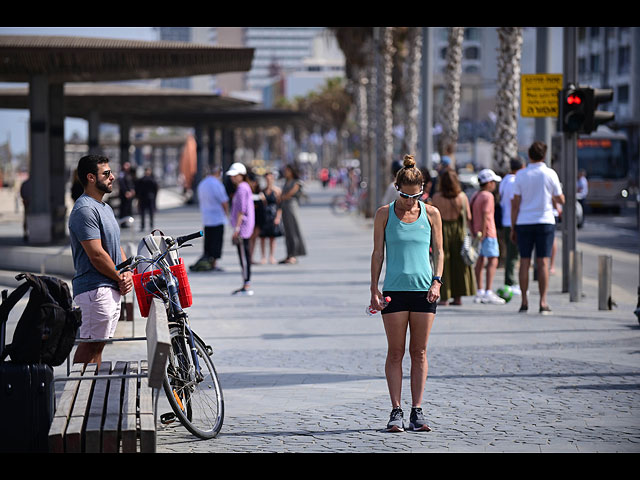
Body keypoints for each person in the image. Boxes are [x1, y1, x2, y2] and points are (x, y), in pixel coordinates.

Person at [370, 154, 444, 433]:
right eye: (404, 195)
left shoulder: (431, 213)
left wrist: (437, 282)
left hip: (425, 292)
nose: (410, 201)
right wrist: (373, 288)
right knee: (396, 352)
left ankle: (417, 410)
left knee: (420, 352)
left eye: (415, 196)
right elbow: (378, 253)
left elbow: (439, 251)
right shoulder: (384, 213)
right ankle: (396, 410)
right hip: (394, 291)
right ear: (396, 187)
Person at [68, 154, 133, 366]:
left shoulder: (105, 208)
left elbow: (116, 246)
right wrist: (119, 277)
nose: (112, 177)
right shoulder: (85, 209)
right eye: (106, 173)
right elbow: (96, 254)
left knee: (99, 344)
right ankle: (76, 396)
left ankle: (90, 393)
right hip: (95, 289)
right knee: (90, 345)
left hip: (108, 287)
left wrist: (127, 273)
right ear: (91, 178)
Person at [510, 141, 565, 315]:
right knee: (543, 263)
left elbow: (515, 205)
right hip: (545, 222)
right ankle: (543, 301)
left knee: (524, 262)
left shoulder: (521, 175)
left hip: (524, 222)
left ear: (530, 155)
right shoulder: (550, 174)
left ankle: (524, 301)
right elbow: (560, 199)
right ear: (544, 155)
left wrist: (513, 227)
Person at [431, 169, 476, 305]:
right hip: (459, 232)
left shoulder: (437, 197)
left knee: (443, 263)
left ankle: (444, 297)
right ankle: (458, 297)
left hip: (442, 231)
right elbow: (468, 216)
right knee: (459, 264)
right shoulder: (462, 197)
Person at [470, 168, 505, 305]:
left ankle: (480, 291)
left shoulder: (475, 195)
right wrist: (484, 231)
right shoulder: (488, 196)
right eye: (493, 182)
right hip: (488, 232)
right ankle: (488, 291)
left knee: (479, 261)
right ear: (488, 182)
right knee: (492, 260)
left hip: (477, 233)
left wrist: (475, 231)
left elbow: (470, 216)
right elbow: (486, 214)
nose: (494, 185)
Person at [191, 166, 229, 272]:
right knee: (217, 242)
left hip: (206, 218)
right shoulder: (217, 184)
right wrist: (227, 213)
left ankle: (207, 261)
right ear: (218, 173)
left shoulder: (202, 184)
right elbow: (224, 201)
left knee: (208, 242)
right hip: (217, 217)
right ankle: (214, 263)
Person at [227, 162, 255, 296]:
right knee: (244, 255)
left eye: (235, 175)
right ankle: (246, 282)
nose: (232, 178)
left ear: (241, 175)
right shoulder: (243, 187)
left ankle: (246, 283)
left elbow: (241, 210)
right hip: (243, 227)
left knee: (244, 256)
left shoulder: (242, 188)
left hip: (242, 228)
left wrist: (237, 228)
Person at [498, 157, 524, 295]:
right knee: (513, 254)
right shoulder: (514, 181)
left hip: (506, 220)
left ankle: (511, 280)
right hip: (513, 221)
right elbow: (515, 203)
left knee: (511, 252)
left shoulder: (505, 181)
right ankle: (511, 282)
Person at [279, 164, 307, 264]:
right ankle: (289, 254)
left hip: (292, 207)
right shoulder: (286, 182)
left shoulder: (297, 182)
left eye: (287, 170)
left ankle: (294, 254)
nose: (286, 172)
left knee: (293, 230)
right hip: (285, 207)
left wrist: (282, 197)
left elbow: (291, 193)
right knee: (287, 232)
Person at [258, 170, 283, 265]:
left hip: (273, 214)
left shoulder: (277, 191)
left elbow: (280, 205)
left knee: (272, 237)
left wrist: (278, 217)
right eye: (267, 178)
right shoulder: (262, 190)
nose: (268, 180)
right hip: (264, 215)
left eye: (270, 178)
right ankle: (263, 257)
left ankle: (271, 256)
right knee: (262, 237)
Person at [135, 167, 159, 232]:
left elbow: (156, 188)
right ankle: (144, 225)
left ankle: (149, 225)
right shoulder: (149, 179)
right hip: (145, 198)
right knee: (144, 212)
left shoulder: (147, 179)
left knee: (150, 212)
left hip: (148, 198)